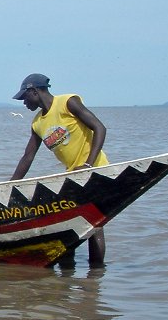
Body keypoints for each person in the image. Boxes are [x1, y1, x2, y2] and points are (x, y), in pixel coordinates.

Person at [10, 73, 109, 268]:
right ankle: (67, 273)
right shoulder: (37, 123)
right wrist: (11, 184)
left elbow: (99, 127)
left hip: (95, 170)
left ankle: (95, 276)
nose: (24, 103)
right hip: (72, 176)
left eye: (25, 97)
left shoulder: (67, 102)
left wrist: (88, 164)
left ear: (35, 91)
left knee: (94, 224)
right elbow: (28, 156)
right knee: (69, 223)